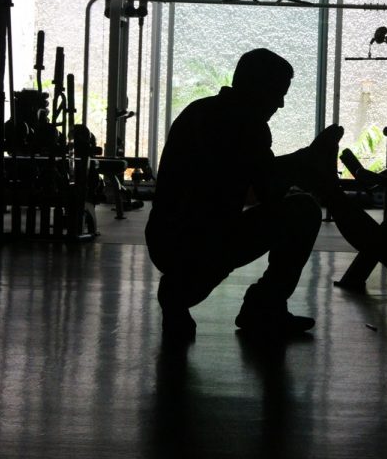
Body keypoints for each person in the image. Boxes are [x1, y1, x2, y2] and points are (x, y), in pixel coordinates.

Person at [146, 48, 343, 341]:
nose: (281, 103)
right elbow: (268, 190)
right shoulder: (247, 125)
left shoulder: (199, 110)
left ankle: (182, 292)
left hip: (164, 238)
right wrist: (306, 161)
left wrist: (299, 163)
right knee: (303, 211)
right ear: (258, 88)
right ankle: (261, 306)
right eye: (278, 93)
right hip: (201, 243)